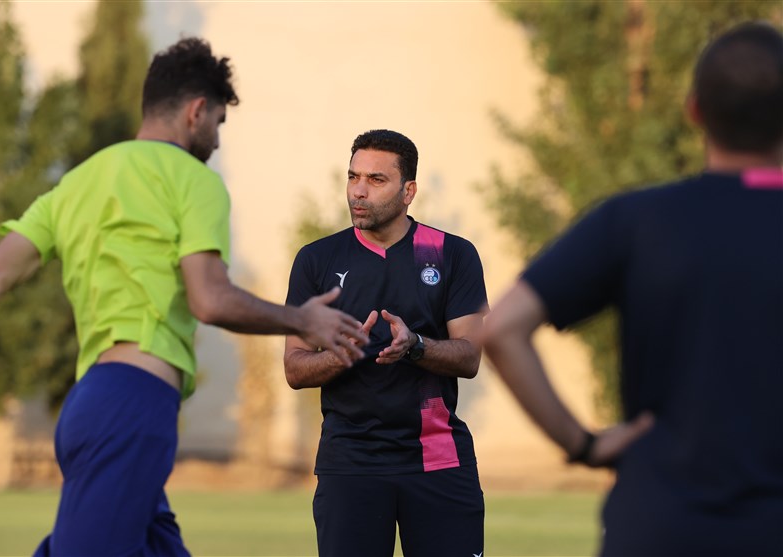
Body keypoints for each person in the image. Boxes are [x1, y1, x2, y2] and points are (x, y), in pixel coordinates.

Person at [0, 37, 367, 557]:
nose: (217, 140)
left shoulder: (75, 183)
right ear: (196, 111)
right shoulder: (193, 181)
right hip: (132, 404)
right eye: (218, 124)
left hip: (89, 405)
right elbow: (209, 299)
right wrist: (301, 320)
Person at [483, 21, 783, 557]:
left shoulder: (637, 221)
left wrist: (583, 444)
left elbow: (502, 329)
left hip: (658, 528)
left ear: (694, 110)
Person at [284, 129, 488, 557]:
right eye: (353, 177)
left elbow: (470, 356)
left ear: (408, 191)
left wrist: (415, 346)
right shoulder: (317, 260)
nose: (358, 191)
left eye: (376, 180)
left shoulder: (451, 253)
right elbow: (295, 368)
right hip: (350, 461)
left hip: (437, 458)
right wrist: (342, 354)